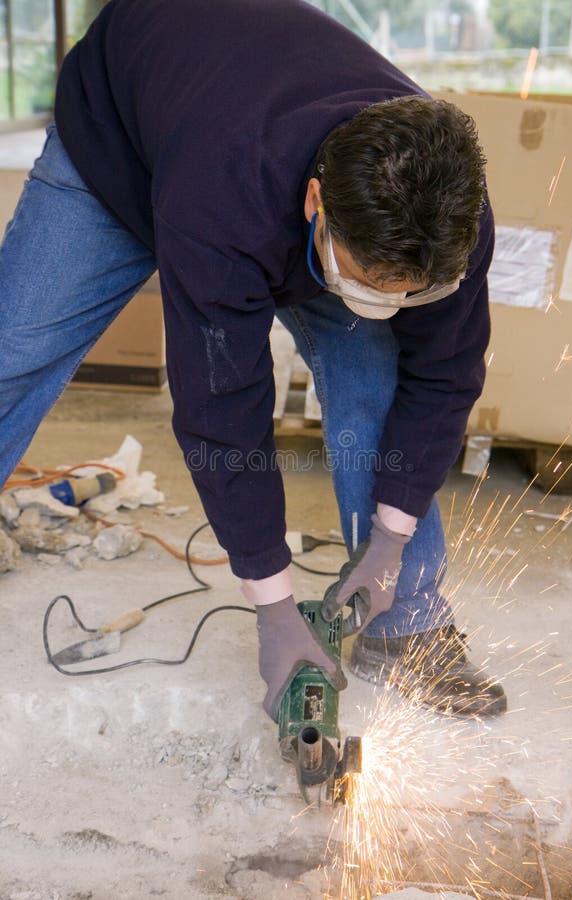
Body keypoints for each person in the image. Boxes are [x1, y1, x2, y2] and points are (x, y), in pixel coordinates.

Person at [0, 0, 506, 722]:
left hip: (244, 136)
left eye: (407, 292)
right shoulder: (224, 196)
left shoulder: (450, 217)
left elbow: (445, 375)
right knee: (14, 348)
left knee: (374, 381)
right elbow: (221, 408)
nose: (386, 303)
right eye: (368, 282)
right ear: (316, 203)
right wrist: (272, 604)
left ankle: (407, 623)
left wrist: (389, 542)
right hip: (124, 138)